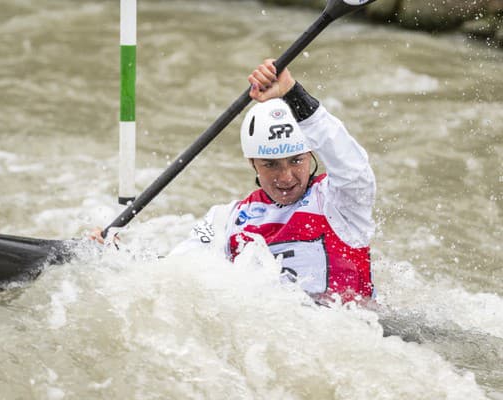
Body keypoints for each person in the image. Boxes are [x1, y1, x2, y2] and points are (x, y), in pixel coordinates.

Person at [92, 59, 376, 304]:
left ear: (311, 153)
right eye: (271, 165)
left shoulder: (340, 202)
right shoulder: (226, 219)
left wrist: (293, 93)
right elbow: (173, 275)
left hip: (348, 332)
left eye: (296, 161)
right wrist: (116, 257)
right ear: (252, 163)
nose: (286, 177)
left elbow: (352, 165)